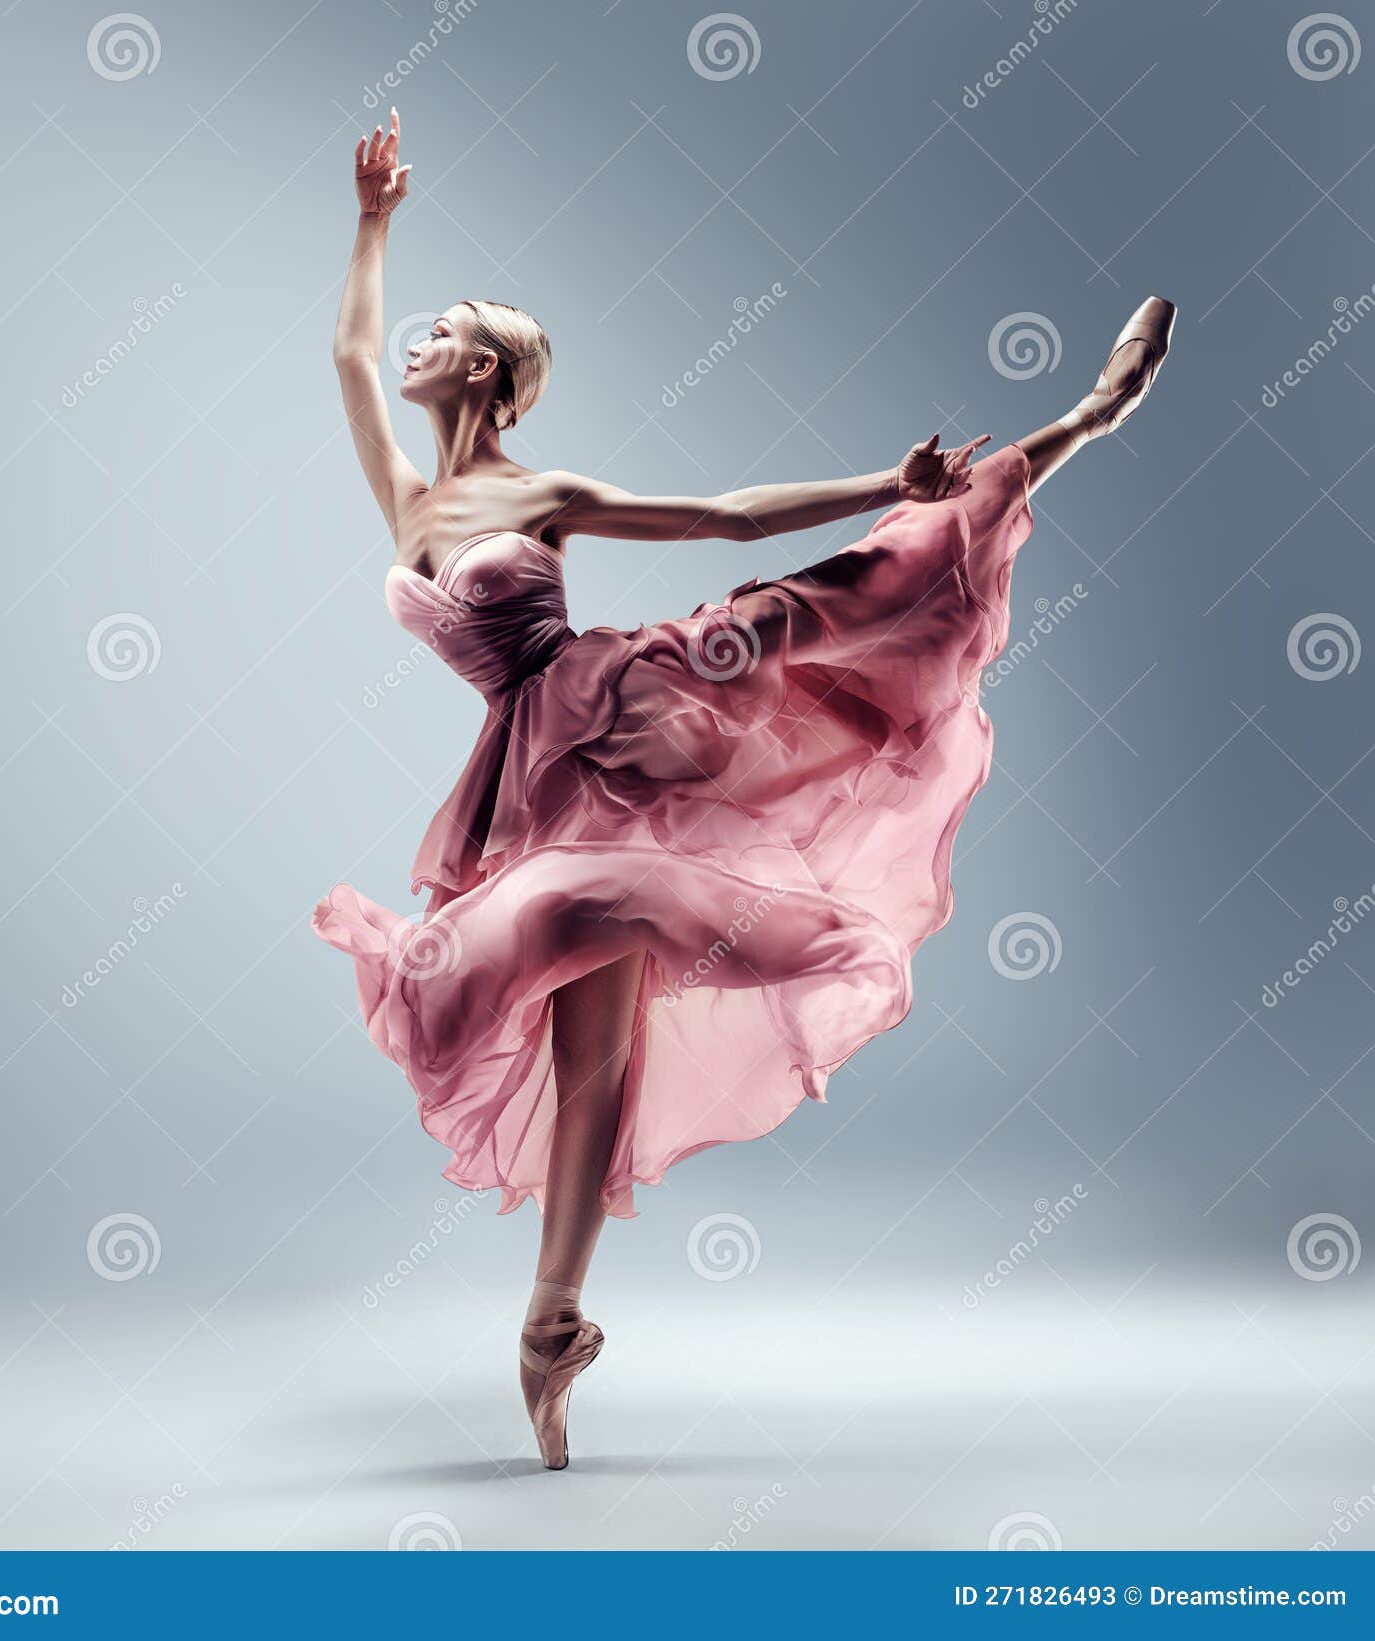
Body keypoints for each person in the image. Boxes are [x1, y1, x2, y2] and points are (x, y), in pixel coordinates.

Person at [314, 109, 1176, 1469]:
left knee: (837, 601)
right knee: (580, 1050)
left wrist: (880, 481)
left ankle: (1074, 423)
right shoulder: (405, 498)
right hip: (522, 767)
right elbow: (352, 354)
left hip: (620, 717)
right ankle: (553, 1323)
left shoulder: (542, 490)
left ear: (487, 368)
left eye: (447, 324)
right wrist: (373, 218)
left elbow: (722, 514)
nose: (417, 339)